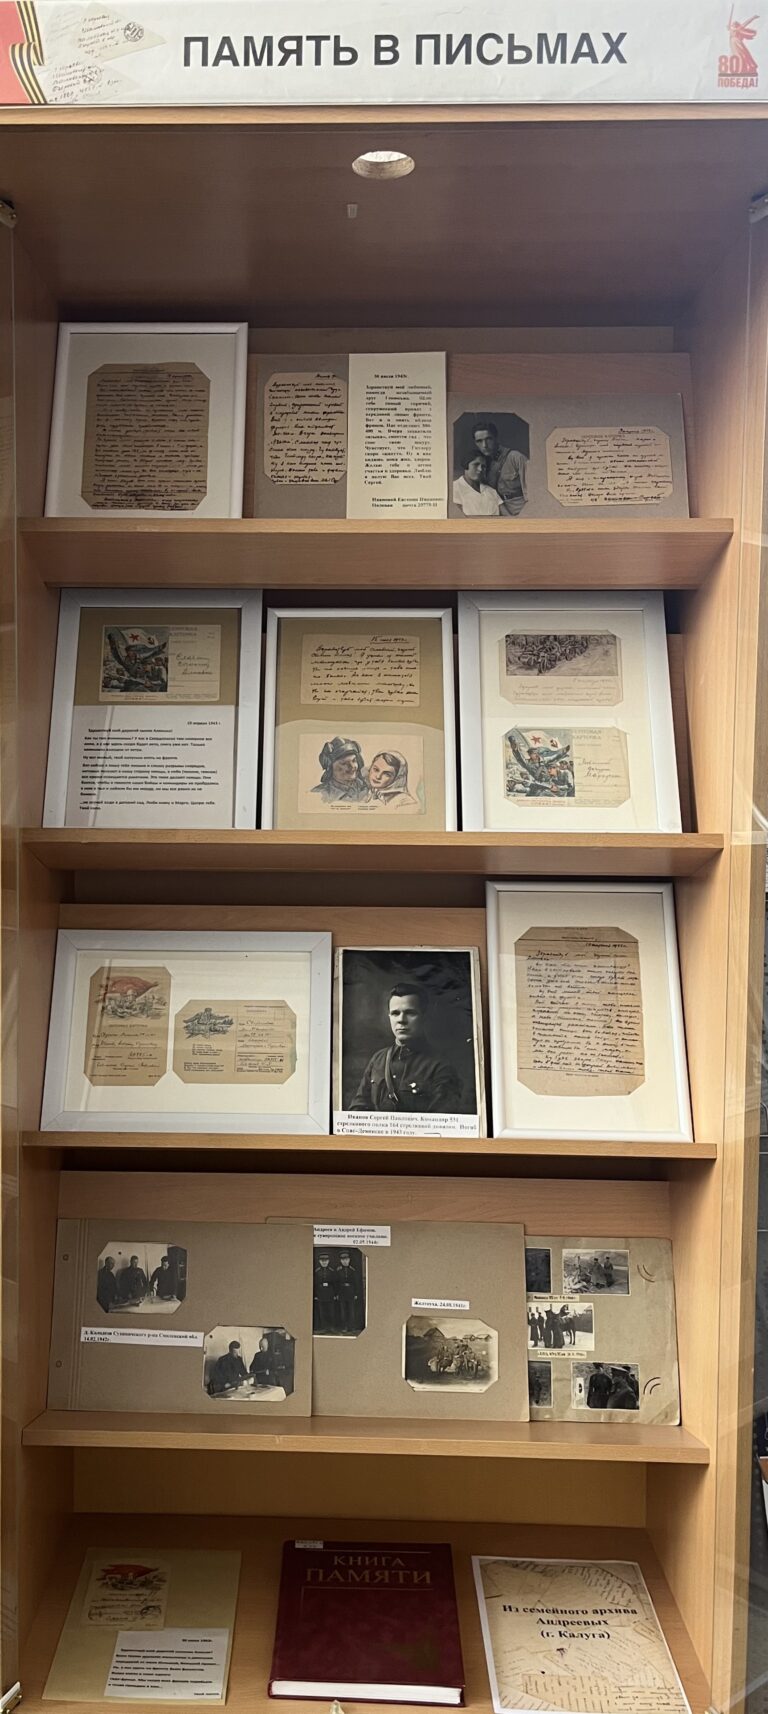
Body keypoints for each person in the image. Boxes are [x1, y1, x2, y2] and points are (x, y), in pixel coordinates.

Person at [349, 984, 464, 1114]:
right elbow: (357, 1109)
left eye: (410, 1013)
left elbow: (439, 1121)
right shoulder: (378, 1059)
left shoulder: (440, 1066)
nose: (401, 1020)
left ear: (424, 1016)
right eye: (395, 1013)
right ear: (389, 1017)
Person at [472, 421, 529, 516]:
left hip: (518, 511)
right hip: (494, 511)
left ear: (496, 438)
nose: (484, 445)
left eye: (488, 439)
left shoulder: (515, 457)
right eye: (479, 441)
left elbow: (532, 494)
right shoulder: (480, 464)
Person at [312, 737, 369, 804]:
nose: (352, 766)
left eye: (354, 761)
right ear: (330, 768)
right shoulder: (319, 794)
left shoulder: (366, 788)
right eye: (344, 763)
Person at [452, 452, 503, 516]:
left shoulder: (491, 491)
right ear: (466, 465)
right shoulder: (454, 488)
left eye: (483, 466)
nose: (480, 469)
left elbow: (506, 515)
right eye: (476, 465)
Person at [335, 1251, 361, 1334]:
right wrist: (337, 1294)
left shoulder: (352, 1270)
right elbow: (336, 1283)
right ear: (340, 1261)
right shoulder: (338, 1270)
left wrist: (356, 1293)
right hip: (341, 1293)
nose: (345, 1261)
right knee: (343, 1312)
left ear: (349, 1260)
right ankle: (344, 1327)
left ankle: (352, 1327)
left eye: (346, 1259)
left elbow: (356, 1283)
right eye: (343, 1260)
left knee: (351, 1311)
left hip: (351, 1292)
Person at [313, 1251, 338, 1333]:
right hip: (320, 1294)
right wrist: (315, 1295)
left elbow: (335, 1284)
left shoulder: (332, 1271)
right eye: (322, 1261)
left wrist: (335, 1294)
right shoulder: (317, 1272)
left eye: (326, 1261)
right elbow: (315, 1284)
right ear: (319, 1261)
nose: (324, 1262)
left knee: (331, 1312)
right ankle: (323, 1328)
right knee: (322, 1312)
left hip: (330, 1294)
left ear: (328, 1261)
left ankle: (332, 1327)